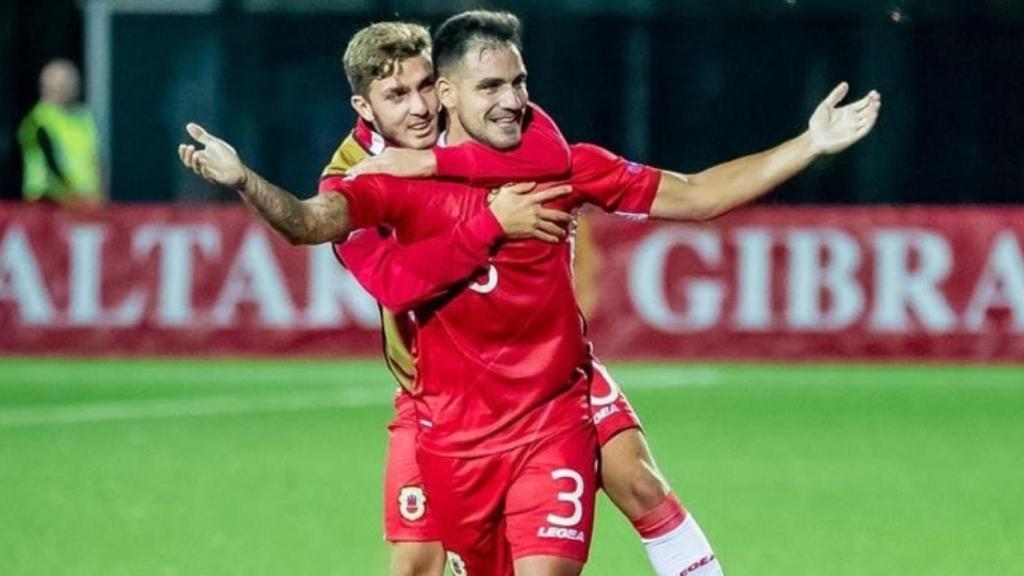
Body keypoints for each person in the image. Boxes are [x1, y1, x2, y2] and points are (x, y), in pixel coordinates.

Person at [178, 10, 880, 575]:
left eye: (518, 83)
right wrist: (245, 180)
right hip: (445, 410)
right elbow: (349, 251)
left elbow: (695, 194)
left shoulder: (545, 155)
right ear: (374, 105)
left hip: (552, 398)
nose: (419, 107)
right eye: (401, 96)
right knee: (420, 562)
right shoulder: (374, 175)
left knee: (636, 481)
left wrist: (808, 144)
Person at [17, 59, 104, 207]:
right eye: (65, 82)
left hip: (87, 206)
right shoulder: (38, 120)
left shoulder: (84, 117)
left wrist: (98, 196)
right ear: (49, 86)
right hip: (49, 204)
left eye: (74, 81)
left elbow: (95, 159)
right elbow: (50, 163)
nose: (72, 87)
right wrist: (73, 195)